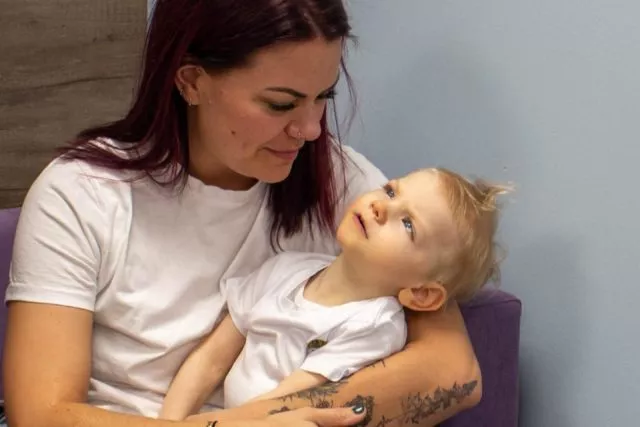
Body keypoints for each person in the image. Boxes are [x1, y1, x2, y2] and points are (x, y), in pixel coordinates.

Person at [2, 1, 482, 427]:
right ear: (191, 80)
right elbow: (41, 414)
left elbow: (452, 371)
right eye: (280, 104)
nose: (311, 130)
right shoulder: (81, 193)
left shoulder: (343, 185)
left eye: (323, 98)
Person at [159, 167, 507, 421]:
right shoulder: (285, 269)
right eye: (390, 191)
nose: (380, 206)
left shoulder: (374, 325)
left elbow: (290, 401)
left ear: (421, 294)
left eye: (408, 224)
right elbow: (209, 361)